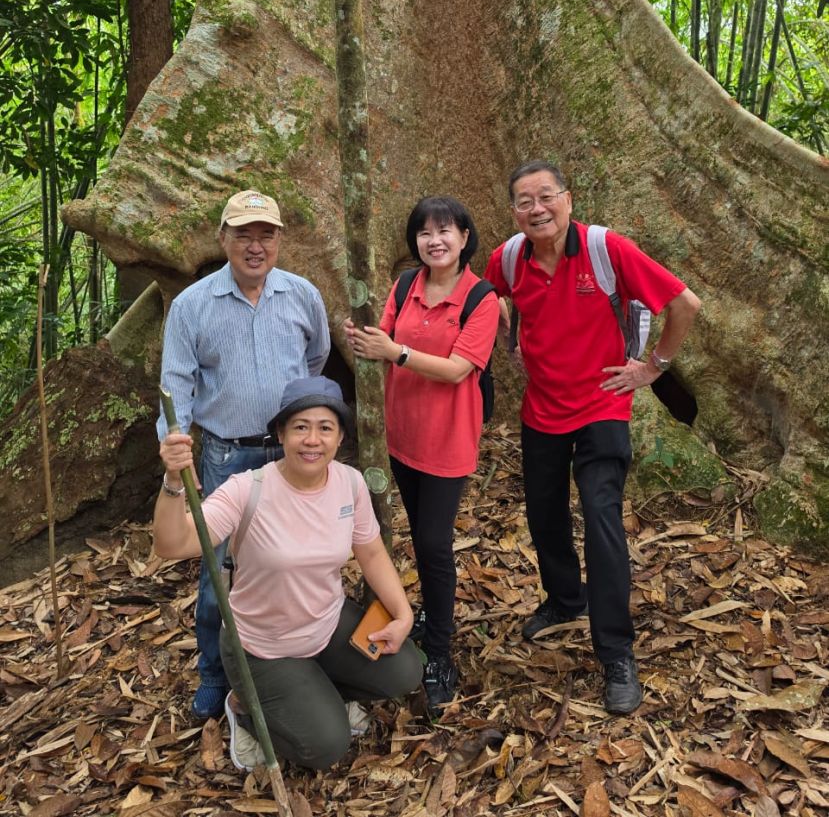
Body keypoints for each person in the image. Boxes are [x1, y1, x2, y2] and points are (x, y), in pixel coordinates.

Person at [484, 161, 701, 715]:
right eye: (524, 201)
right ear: (513, 212)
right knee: (543, 513)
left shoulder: (606, 250)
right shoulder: (510, 257)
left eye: (546, 196)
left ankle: (616, 652)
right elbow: (492, 298)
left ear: (568, 200)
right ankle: (564, 600)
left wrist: (653, 367)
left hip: (604, 403)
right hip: (542, 408)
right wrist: (513, 344)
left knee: (602, 520)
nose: (537, 209)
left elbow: (685, 304)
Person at [154, 376, 423, 771]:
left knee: (405, 670)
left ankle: (314, 695)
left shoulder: (349, 483)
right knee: (327, 745)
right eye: (300, 427)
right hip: (263, 645)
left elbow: (370, 551)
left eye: (325, 428)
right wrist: (174, 482)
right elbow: (172, 545)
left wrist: (403, 614)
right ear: (281, 433)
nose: (312, 440)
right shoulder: (248, 490)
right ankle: (243, 709)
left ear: (339, 437)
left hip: (327, 624)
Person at [157, 188, 330, 721]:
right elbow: (176, 386)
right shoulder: (193, 305)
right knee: (218, 572)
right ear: (223, 238)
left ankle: (297, 662)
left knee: (294, 560)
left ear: (280, 240)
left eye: (266, 235)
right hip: (227, 456)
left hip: (290, 453)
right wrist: (175, 448)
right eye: (243, 234)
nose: (255, 246)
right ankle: (215, 672)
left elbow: (317, 359)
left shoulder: (302, 295)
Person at [344, 197, 499, 714]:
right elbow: (384, 338)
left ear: (464, 237)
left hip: (448, 441)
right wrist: (365, 340)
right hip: (401, 436)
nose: (434, 240)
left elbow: (459, 369)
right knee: (409, 533)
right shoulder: (407, 285)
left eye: (445, 231)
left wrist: (396, 354)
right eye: (424, 233)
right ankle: (419, 617)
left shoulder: (481, 297)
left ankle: (439, 652)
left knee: (433, 545)